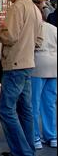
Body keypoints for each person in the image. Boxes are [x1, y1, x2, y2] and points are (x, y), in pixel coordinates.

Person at [0, 0, 43, 156]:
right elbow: (39, 40)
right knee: (24, 109)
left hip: (15, 66)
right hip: (28, 64)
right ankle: (28, 154)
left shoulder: (17, 7)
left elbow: (9, 36)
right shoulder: (35, 9)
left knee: (5, 109)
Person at [30, 18, 57, 149]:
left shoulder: (33, 28)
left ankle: (35, 138)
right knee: (49, 103)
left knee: (34, 103)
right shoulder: (53, 28)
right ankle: (52, 136)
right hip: (54, 66)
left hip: (38, 66)